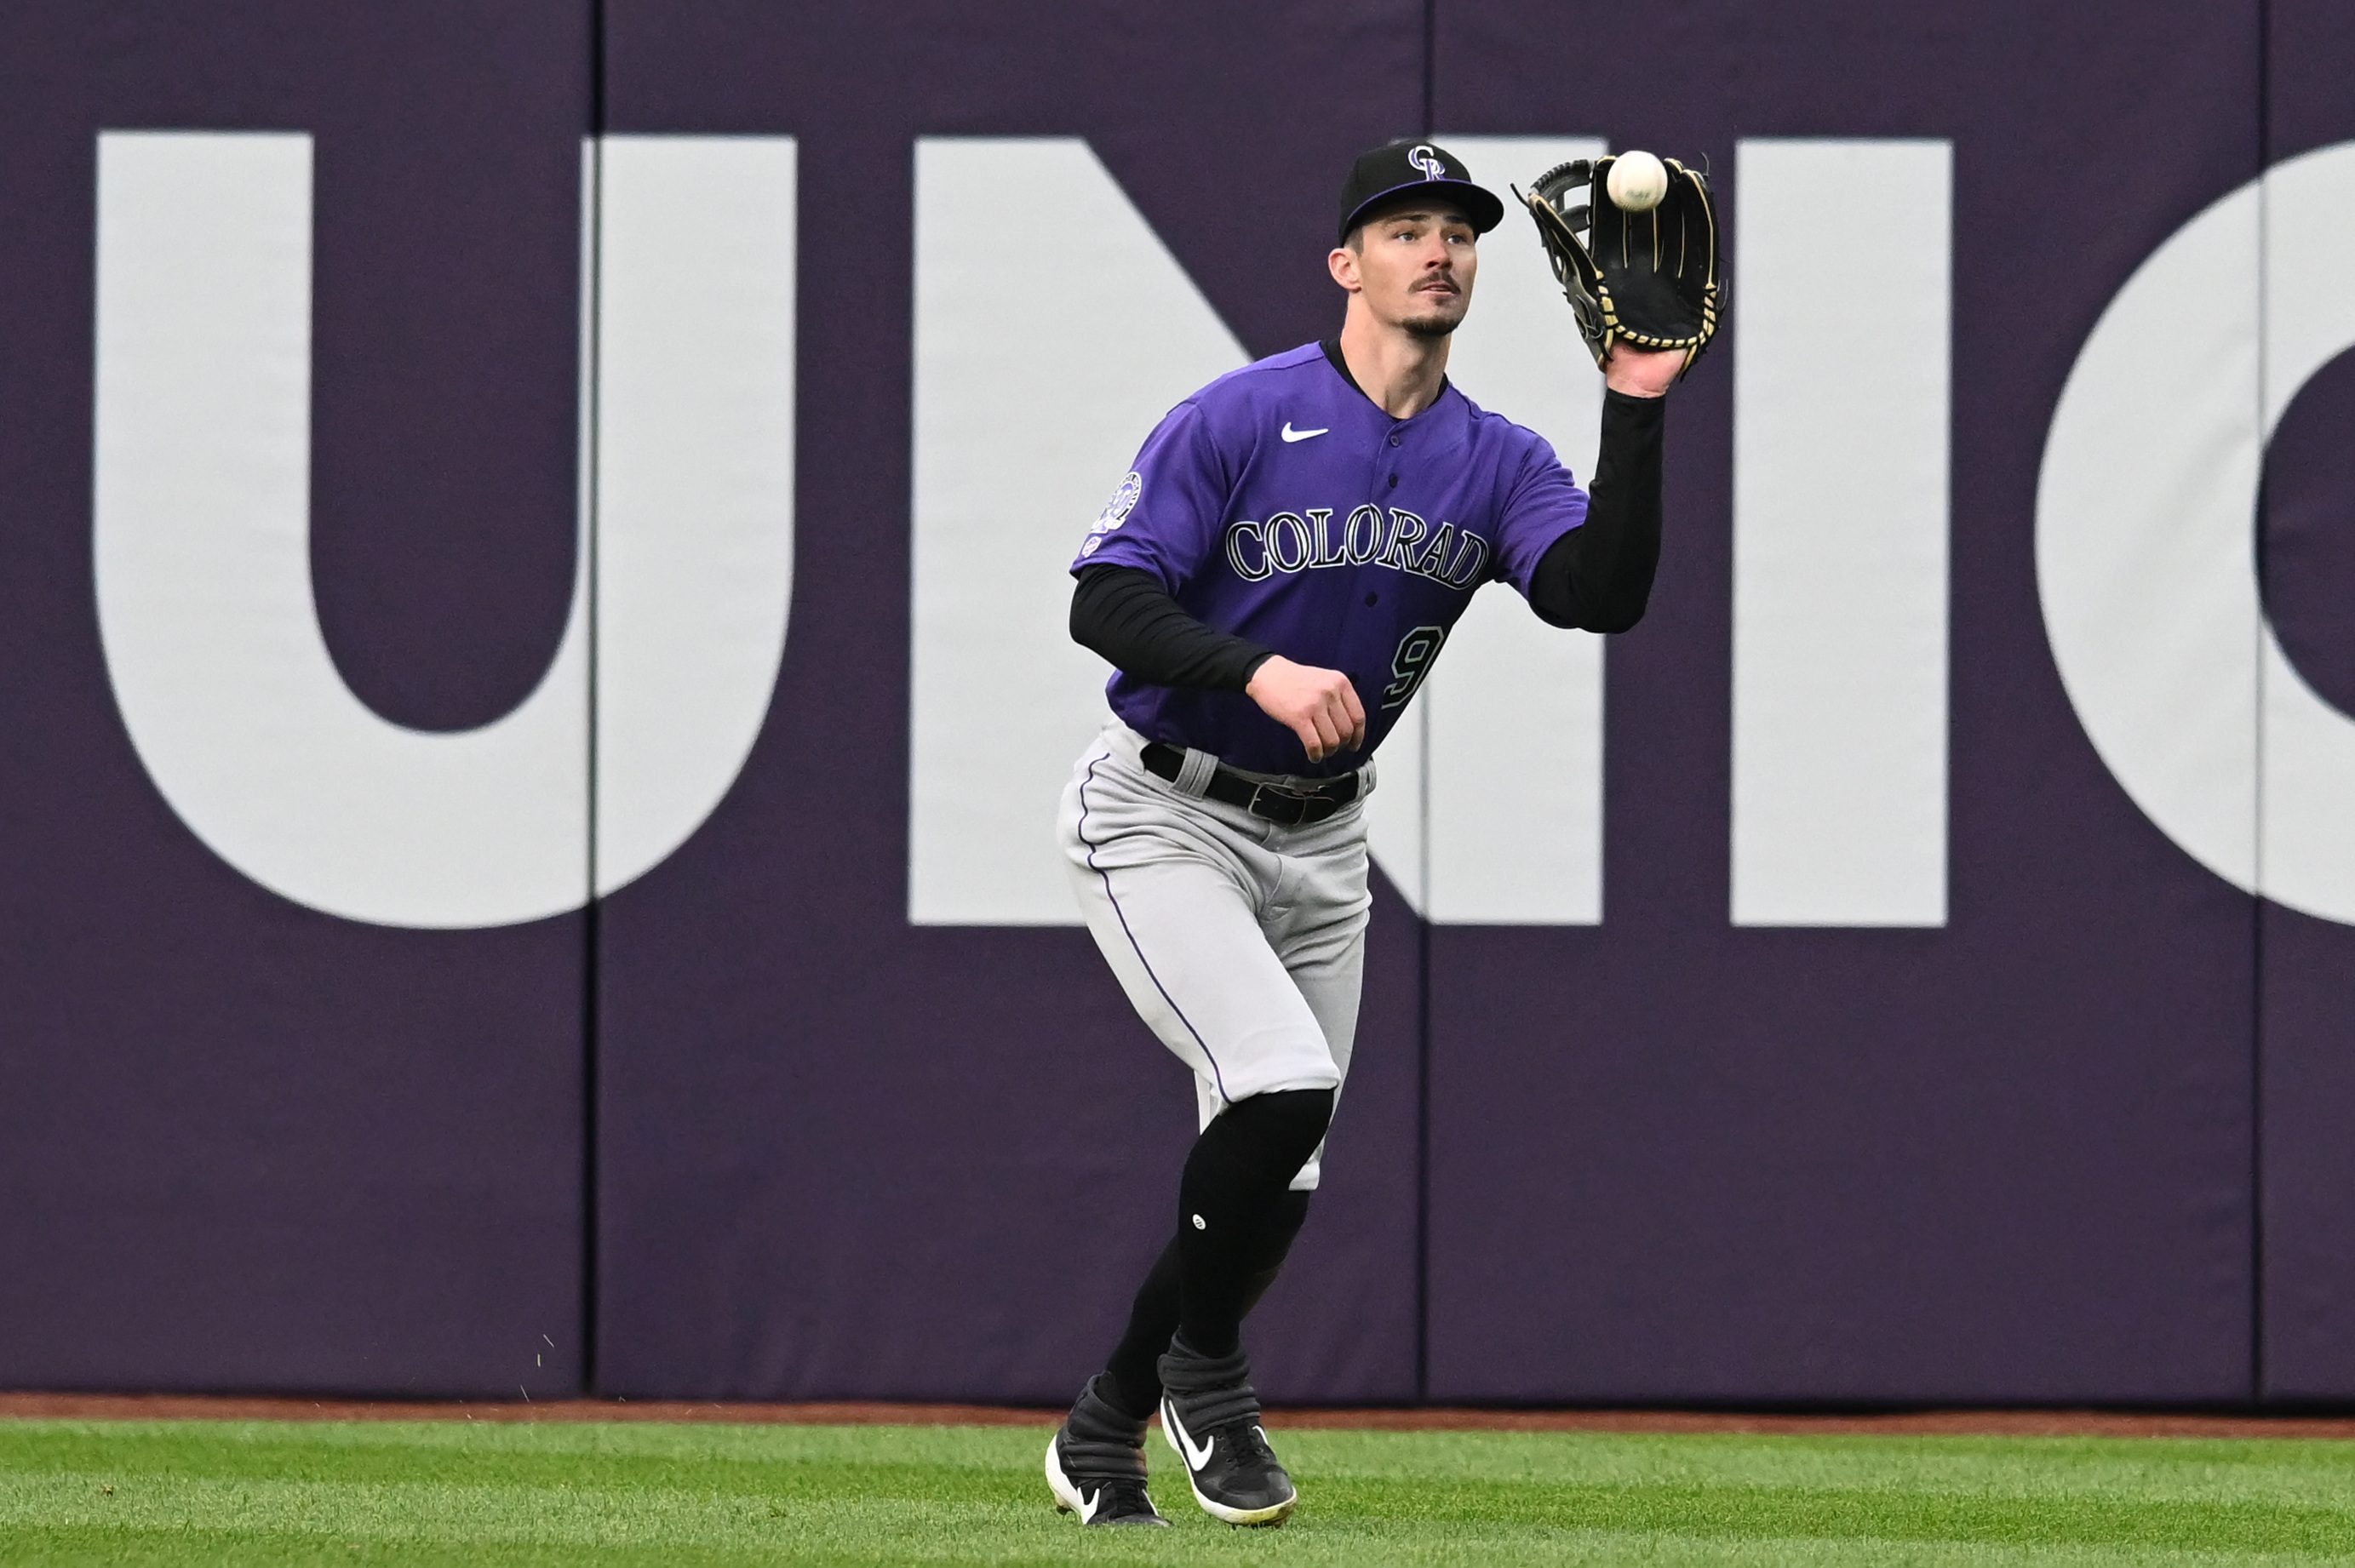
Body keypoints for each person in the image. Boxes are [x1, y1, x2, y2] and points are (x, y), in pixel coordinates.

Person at [1043, 139, 1682, 1529]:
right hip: (1161, 807)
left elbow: (1597, 595)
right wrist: (1253, 668)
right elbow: (1103, 599)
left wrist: (1632, 402)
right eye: (1404, 228)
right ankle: (1200, 1371)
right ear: (1347, 264)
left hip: (1325, 842)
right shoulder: (1238, 413)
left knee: (1289, 1160)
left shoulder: (1494, 457)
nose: (1438, 249)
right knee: (1278, 1083)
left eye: (1458, 230)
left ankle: (1105, 1417)